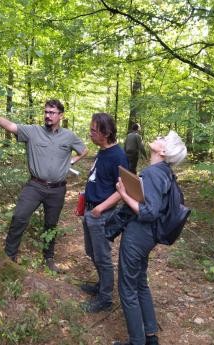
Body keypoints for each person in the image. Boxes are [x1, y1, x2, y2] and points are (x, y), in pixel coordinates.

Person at [0, 99, 87, 272]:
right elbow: (10, 126)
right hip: (35, 186)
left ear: (60, 115)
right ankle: (10, 257)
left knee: (51, 224)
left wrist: (72, 161)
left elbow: (84, 150)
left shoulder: (69, 136)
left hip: (57, 189)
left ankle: (48, 259)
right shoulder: (33, 131)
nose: (48, 115)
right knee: (19, 217)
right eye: (46, 112)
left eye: (52, 113)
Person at [113, 131, 187, 345]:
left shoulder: (154, 173)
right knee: (140, 282)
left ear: (163, 151)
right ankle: (150, 335)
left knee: (127, 287)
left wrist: (123, 192)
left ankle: (137, 341)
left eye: (163, 138)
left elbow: (149, 212)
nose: (158, 137)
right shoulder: (164, 172)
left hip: (139, 234)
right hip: (149, 236)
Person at [80, 112, 129, 313]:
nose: (90, 133)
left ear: (106, 133)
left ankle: (106, 297)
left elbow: (122, 189)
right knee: (91, 251)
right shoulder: (102, 151)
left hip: (101, 214)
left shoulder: (118, 155)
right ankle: (102, 285)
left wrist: (100, 208)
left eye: (94, 130)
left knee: (102, 256)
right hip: (90, 211)